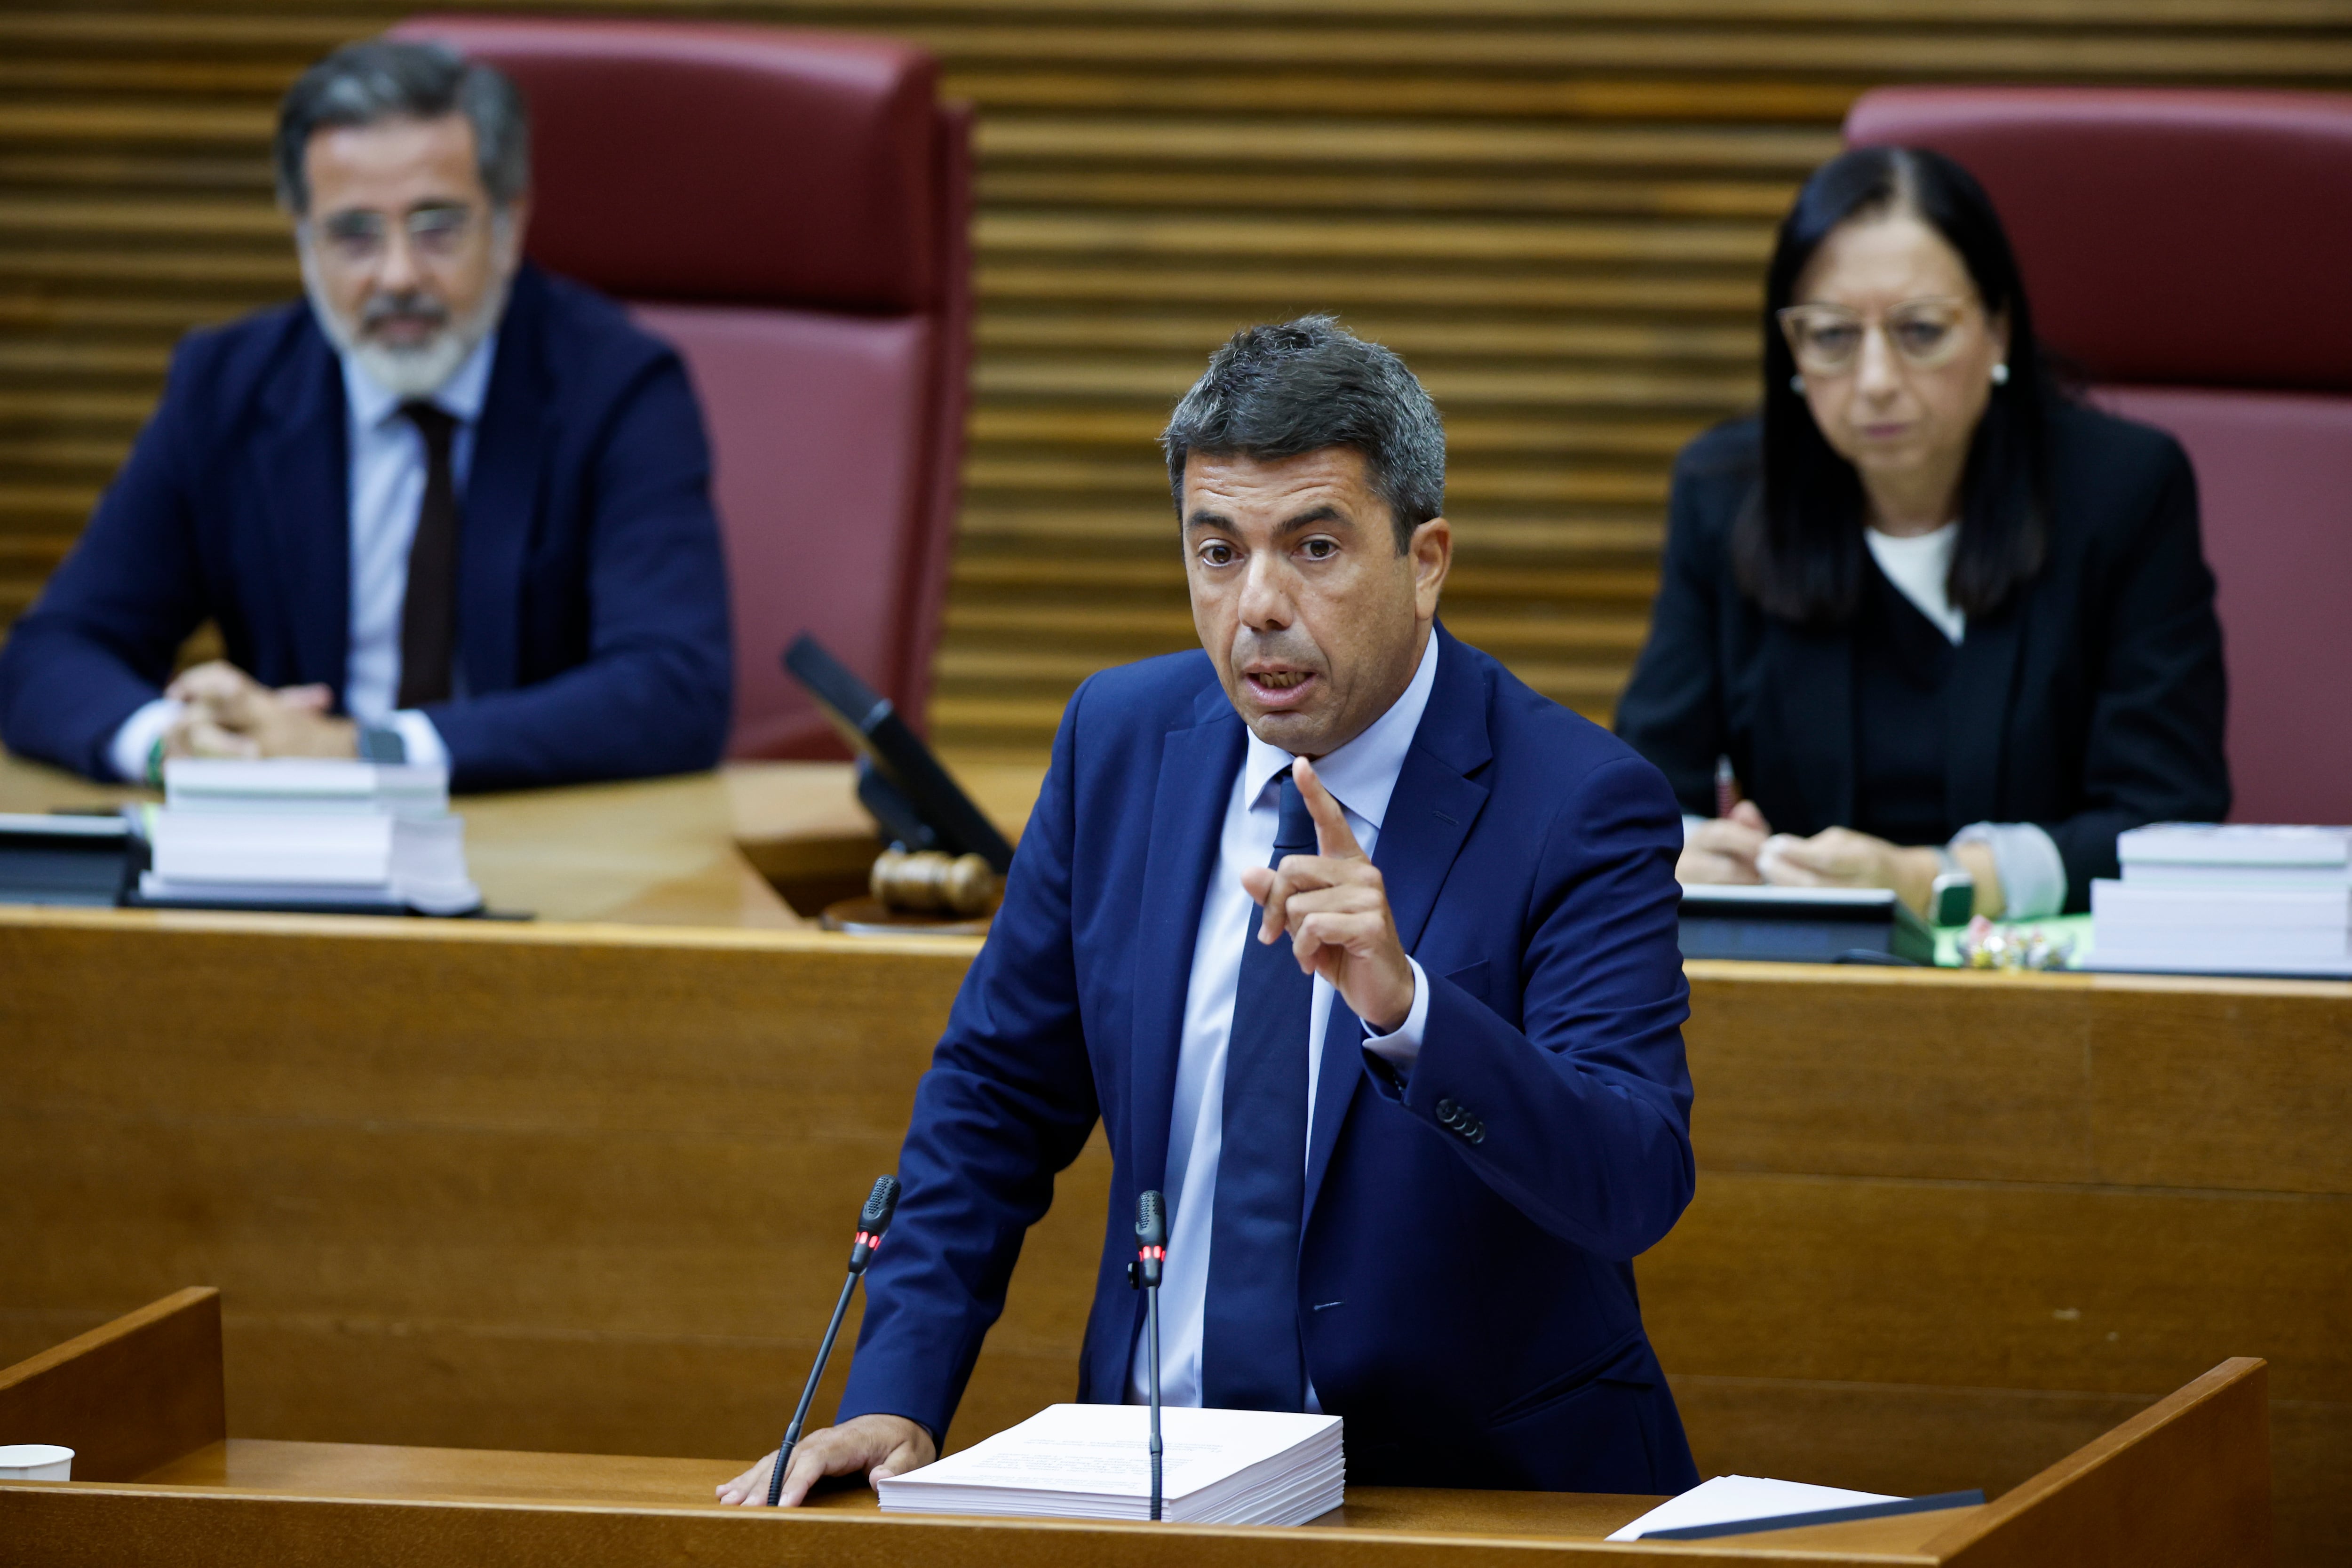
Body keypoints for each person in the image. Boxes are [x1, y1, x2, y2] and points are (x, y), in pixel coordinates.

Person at [719, 318, 1700, 1505]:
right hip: (1155, 1481)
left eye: (1316, 547)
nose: (1259, 606)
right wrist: (898, 1390)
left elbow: (1633, 1179)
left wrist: (1411, 1013)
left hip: (1465, 1497)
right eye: (1219, 551)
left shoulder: (1578, 801)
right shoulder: (1121, 742)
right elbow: (995, 1097)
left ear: (1426, 559)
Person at [0, 39, 731, 791]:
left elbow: (674, 688)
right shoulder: (226, 389)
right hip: (298, 844)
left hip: (538, 833)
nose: (398, 275)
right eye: (354, 235)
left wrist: (362, 750)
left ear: (509, 227)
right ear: (304, 241)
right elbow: (51, 653)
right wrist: (172, 745)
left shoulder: (617, 387)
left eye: (437, 228)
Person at [1614, 146, 2228, 920]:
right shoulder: (1725, 495)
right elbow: (1639, 792)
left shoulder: (2123, 491)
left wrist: (1932, 880)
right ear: (1791, 350)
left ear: (1998, 330)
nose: (1876, 380)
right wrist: (1688, 850)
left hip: (2056, 972)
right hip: (1810, 967)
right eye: (1832, 337)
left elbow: (2166, 817)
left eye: (1921, 330)